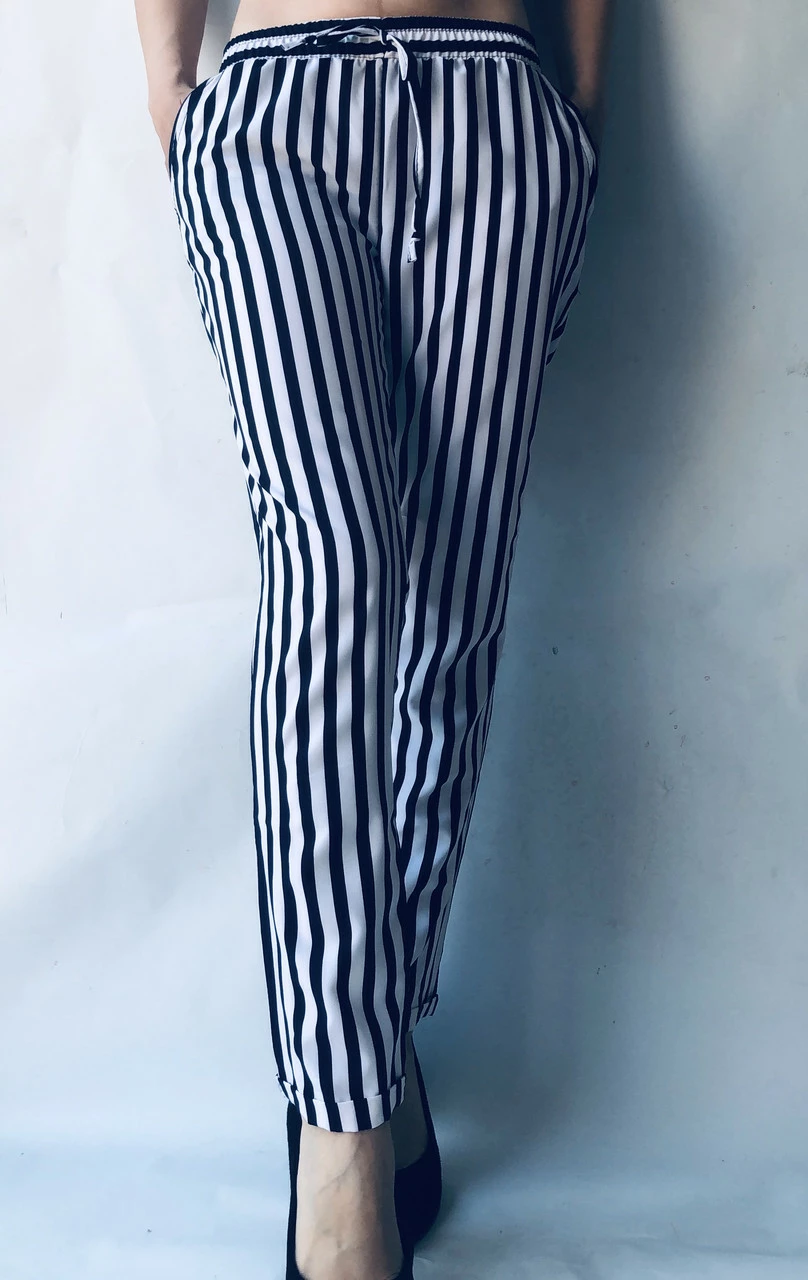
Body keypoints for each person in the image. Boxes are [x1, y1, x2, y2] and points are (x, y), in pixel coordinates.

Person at [133, 0, 611, 1275]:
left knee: (455, 599)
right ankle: (344, 1130)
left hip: (501, 109)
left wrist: (580, 113)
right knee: (333, 564)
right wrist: (173, 95)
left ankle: (374, 1049)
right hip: (274, 113)